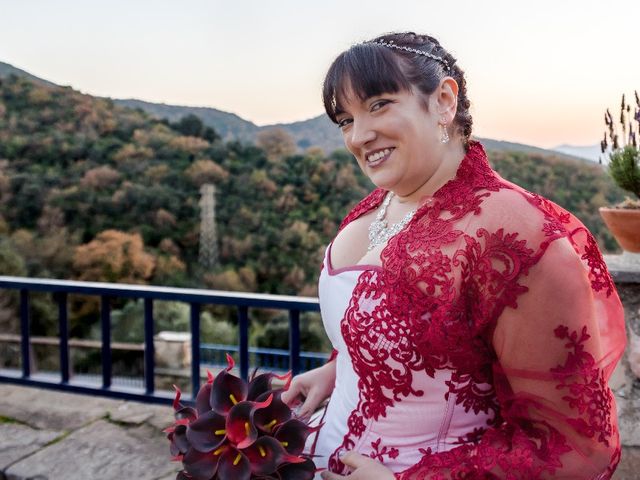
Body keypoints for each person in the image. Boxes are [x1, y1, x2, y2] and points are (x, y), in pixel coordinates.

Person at [281, 32, 626, 479]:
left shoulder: (515, 234)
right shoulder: (378, 205)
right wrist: (342, 370)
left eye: (379, 104)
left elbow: (574, 447)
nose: (358, 136)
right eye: (345, 120)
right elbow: (407, 339)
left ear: (443, 100)